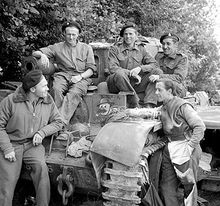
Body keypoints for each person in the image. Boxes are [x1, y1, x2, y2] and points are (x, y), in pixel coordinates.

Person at [0, 70, 64, 206]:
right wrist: (6, 148)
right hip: (12, 144)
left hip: (32, 145)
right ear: (33, 89)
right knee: (7, 182)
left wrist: (42, 133)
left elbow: (58, 122)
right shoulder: (10, 101)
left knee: (42, 170)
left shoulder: (48, 100)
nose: (48, 88)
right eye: (44, 86)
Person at [32, 21, 97, 125]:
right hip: (63, 75)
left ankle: (58, 123)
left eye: (73, 34)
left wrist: (79, 77)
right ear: (64, 34)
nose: (71, 37)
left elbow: (91, 69)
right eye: (68, 34)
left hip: (82, 77)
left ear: (78, 34)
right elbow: (35, 53)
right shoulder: (57, 47)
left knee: (74, 93)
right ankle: (58, 120)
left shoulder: (86, 48)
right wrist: (42, 55)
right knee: (56, 89)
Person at [155, 79, 206, 206]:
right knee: (166, 186)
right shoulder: (163, 107)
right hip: (171, 148)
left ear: (170, 91)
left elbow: (200, 127)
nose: (156, 93)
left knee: (189, 186)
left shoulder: (182, 106)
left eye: (159, 90)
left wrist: (190, 147)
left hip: (187, 146)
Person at [107, 22, 162, 108]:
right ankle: (135, 103)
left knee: (157, 72)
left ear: (136, 36)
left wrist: (140, 68)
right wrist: (130, 73)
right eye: (125, 34)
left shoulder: (141, 49)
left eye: (130, 34)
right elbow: (112, 68)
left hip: (135, 83)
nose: (128, 36)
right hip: (117, 83)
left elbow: (154, 64)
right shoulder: (115, 49)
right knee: (120, 74)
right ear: (123, 36)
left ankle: (149, 104)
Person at [150, 33, 188, 98]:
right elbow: (153, 71)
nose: (165, 47)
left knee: (158, 80)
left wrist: (159, 77)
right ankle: (150, 103)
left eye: (168, 44)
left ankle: (150, 103)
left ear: (175, 45)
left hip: (177, 88)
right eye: (163, 44)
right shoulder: (158, 56)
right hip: (160, 87)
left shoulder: (182, 58)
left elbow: (178, 78)